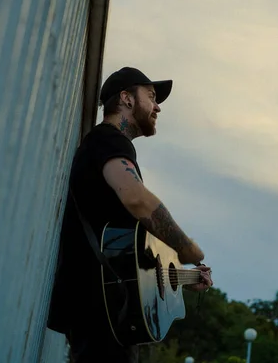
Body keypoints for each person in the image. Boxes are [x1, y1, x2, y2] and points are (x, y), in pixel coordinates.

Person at [47, 66, 213, 363]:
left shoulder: (107, 144)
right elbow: (136, 199)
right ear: (126, 98)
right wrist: (186, 247)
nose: (158, 106)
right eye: (150, 96)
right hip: (100, 309)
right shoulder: (108, 140)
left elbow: (134, 253)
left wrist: (186, 277)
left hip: (109, 307)